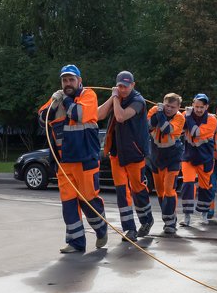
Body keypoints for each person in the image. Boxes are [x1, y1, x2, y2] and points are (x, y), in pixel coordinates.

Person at [38, 64, 108, 253]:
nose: (67, 83)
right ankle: (76, 242)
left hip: (86, 160)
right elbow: (42, 117)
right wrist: (54, 103)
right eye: (64, 80)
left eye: (71, 80)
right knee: (68, 203)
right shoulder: (59, 97)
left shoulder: (88, 95)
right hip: (64, 161)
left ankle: (101, 230)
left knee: (88, 199)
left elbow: (78, 114)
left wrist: (66, 101)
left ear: (79, 81)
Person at [98, 71, 153, 241]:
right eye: (120, 86)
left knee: (138, 189)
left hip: (135, 153)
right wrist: (113, 97)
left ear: (133, 85)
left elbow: (121, 117)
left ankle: (147, 219)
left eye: (125, 86)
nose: (122, 89)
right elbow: (99, 115)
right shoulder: (117, 97)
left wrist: (116, 98)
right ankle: (130, 229)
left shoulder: (138, 101)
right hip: (116, 154)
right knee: (122, 192)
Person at [147, 93, 186, 234]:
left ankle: (170, 223)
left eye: (172, 107)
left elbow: (166, 129)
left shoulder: (180, 118)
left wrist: (159, 115)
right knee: (160, 191)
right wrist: (157, 114)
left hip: (173, 157)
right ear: (163, 103)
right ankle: (168, 217)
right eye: (167, 106)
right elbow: (148, 126)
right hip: (156, 156)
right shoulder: (155, 110)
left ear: (178, 107)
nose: (169, 109)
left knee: (169, 190)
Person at [180, 93, 217, 226]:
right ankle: (187, 216)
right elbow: (180, 127)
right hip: (188, 157)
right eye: (196, 106)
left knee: (205, 187)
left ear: (206, 107)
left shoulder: (212, 120)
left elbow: (196, 132)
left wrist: (189, 116)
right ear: (192, 105)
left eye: (201, 107)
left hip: (205, 158)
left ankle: (203, 214)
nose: (198, 109)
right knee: (188, 184)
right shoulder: (186, 115)